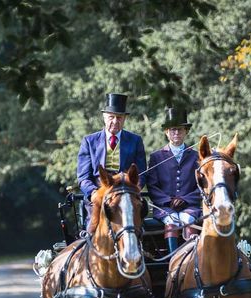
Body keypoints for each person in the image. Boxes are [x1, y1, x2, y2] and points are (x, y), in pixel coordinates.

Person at [146, 106, 201, 252]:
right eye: (172, 130)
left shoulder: (196, 156)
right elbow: (152, 186)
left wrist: (186, 199)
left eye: (180, 129)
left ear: (186, 131)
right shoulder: (156, 157)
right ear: (166, 132)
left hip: (190, 206)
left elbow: (201, 185)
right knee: (172, 221)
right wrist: (168, 201)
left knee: (187, 220)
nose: (176, 133)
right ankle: (173, 261)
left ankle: (191, 259)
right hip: (164, 207)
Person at [76, 93, 146, 203]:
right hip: (99, 194)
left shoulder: (135, 141)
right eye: (111, 117)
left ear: (124, 119)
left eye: (119, 117)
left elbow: (142, 174)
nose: (115, 121)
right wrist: (93, 193)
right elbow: (83, 178)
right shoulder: (89, 142)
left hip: (126, 194)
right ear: (104, 118)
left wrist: (132, 190)